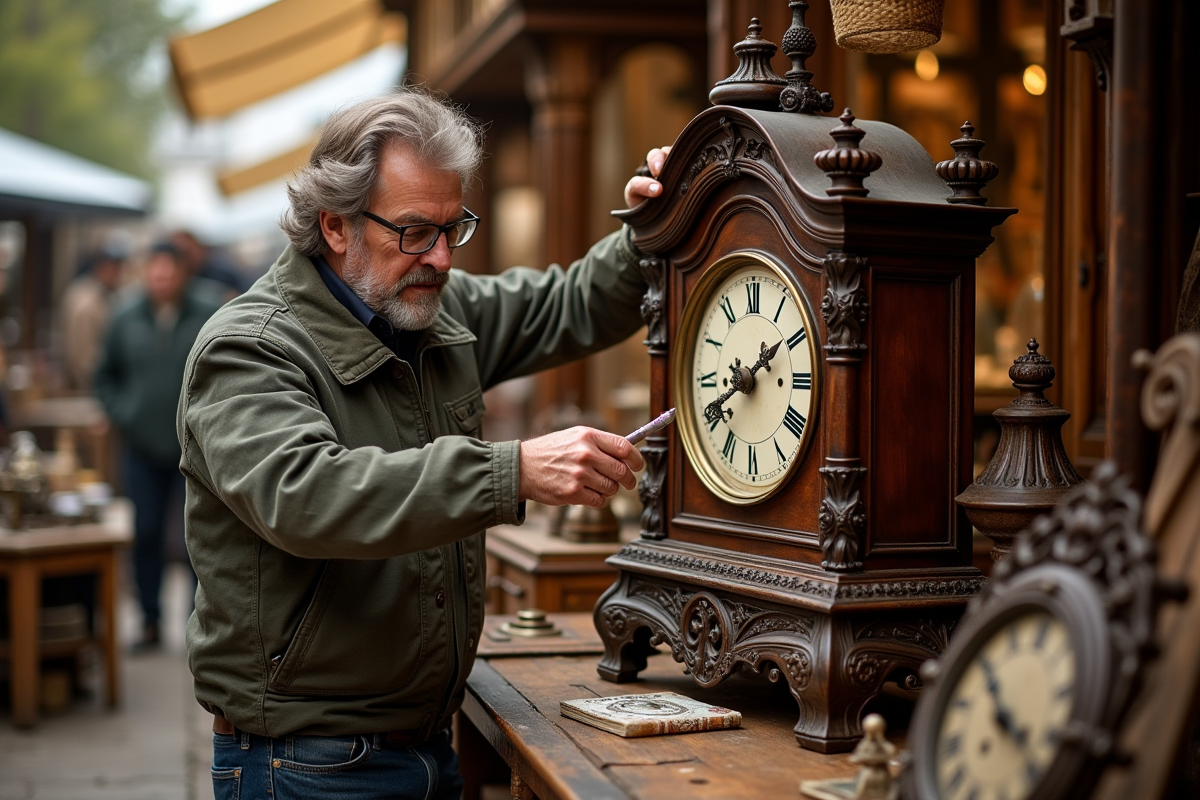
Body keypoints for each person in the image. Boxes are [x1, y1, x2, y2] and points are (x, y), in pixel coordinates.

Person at [177, 88, 667, 800]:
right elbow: (310, 497)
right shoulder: (250, 349)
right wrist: (514, 470)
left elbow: (575, 303)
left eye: (452, 227)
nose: (440, 259)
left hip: (431, 744)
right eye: (413, 232)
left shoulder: (431, 307)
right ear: (335, 225)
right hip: (305, 764)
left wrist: (651, 225)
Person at [93, 242, 221, 649]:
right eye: (154, 272)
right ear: (146, 273)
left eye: (169, 273)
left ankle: (198, 624)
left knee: (195, 537)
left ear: (183, 274)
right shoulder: (124, 316)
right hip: (141, 447)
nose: (161, 280)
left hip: (195, 447)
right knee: (145, 533)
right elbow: (104, 375)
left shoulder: (208, 310)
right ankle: (149, 620)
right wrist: (122, 412)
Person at [60, 244, 126, 392]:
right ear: (101, 268)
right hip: (88, 388)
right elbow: (84, 359)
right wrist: (101, 390)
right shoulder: (88, 302)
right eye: (115, 268)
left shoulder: (100, 293)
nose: (118, 274)